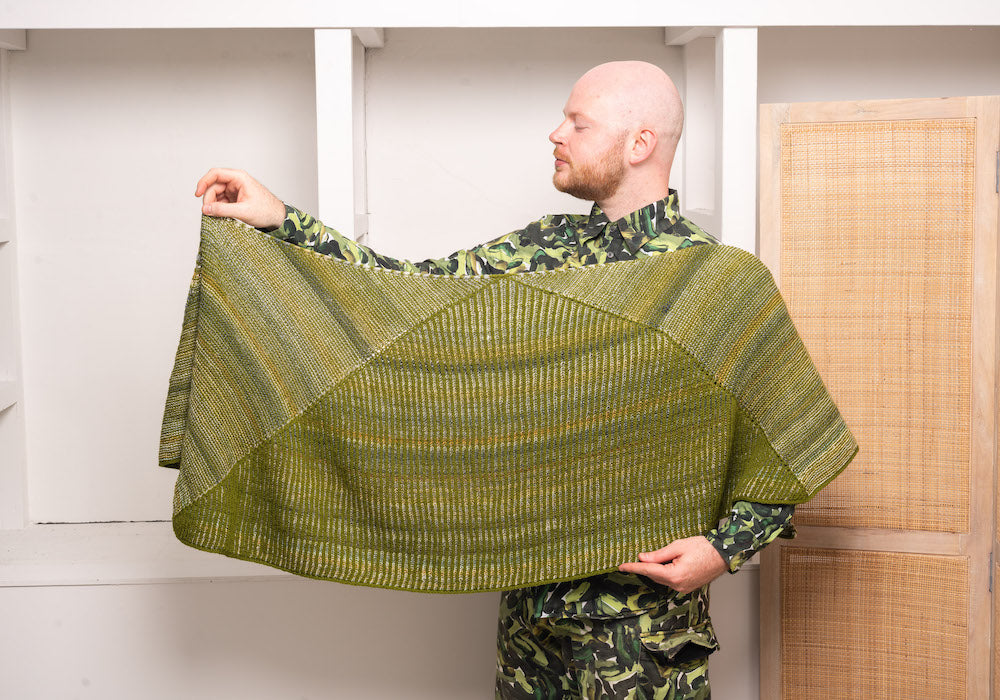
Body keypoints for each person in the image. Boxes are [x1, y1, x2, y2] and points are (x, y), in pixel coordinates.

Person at [195, 61, 794, 700]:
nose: (556, 134)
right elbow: (406, 291)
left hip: (642, 631)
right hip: (529, 629)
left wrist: (722, 551)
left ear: (640, 143)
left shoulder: (716, 283)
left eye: (579, 123)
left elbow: (791, 443)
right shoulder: (540, 250)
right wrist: (282, 220)